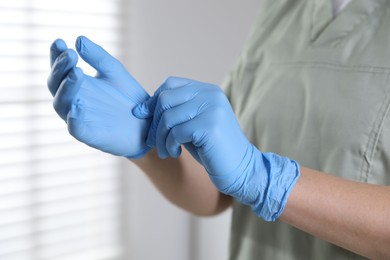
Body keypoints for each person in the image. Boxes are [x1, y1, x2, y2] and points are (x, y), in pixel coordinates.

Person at [47, 0, 390, 259]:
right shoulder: (281, 12)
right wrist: (146, 142)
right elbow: (220, 191)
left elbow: (248, 175)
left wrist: (266, 180)